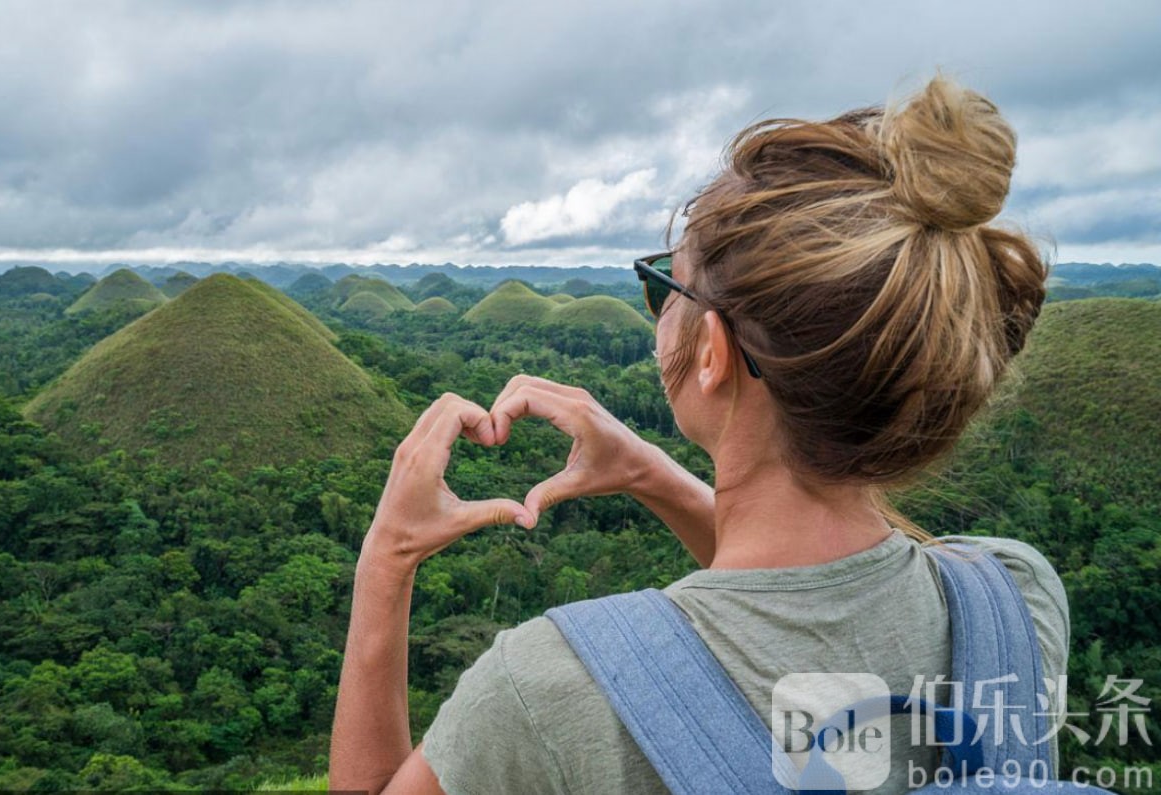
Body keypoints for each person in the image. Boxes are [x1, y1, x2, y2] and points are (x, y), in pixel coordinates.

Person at [328, 75, 1065, 794]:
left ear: (712, 352)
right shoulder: (1014, 604)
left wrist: (387, 556)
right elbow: (807, 605)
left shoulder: (544, 694)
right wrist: (648, 472)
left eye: (664, 289)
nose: (656, 314)